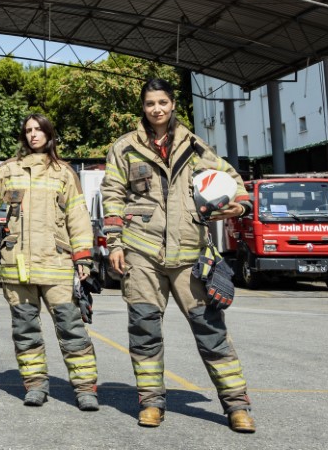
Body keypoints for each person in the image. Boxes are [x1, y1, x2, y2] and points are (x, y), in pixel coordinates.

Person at [101, 78, 256, 433]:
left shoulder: (197, 147)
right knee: (144, 331)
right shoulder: (124, 148)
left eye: (162, 102)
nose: (156, 108)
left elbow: (233, 182)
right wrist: (115, 244)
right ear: (143, 107)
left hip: (190, 256)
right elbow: (111, 196)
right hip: (142, 253)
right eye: (150, 103)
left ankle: (237, 406)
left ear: (172, 105)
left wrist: (238, 208)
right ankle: (151, 403)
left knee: (211, 332)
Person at [0, 113, 100, 411]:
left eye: (39, 130)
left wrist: (83, 255)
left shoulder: (64, 173)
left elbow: (78, 217)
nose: (33, 135)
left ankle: (85, 389)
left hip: (56, 265)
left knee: (71, 327)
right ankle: (35, 385)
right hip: (15, 265)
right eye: (28, 130)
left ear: (49, 134)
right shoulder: (9, 170)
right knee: (25, 329)